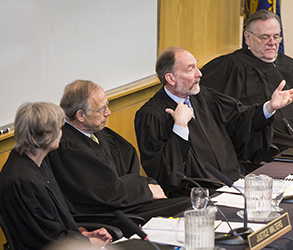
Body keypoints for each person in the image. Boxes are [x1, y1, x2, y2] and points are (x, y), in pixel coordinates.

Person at [134, 47, 293, 196]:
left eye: (196, 67)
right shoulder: (151, 115)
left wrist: (269, 107)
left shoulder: (205, 97)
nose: (199, 74)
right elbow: (163, 171)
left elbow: (240, 118)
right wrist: (179, 127)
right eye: (191, 69)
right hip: (198, 196)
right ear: (171, 78)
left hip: (235, 183)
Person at [47, 80, 190, 236]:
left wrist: (147, 184)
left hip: (126, 202)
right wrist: (145, 189)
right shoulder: (66, 147)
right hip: (105, 215)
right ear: (80, 115)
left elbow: (127, 164)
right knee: (188, 210)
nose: (108, 112)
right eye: (101, 109)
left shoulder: (98, 132)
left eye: (106, 105)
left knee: (191, 207)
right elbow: (103, 191)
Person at [200, 10, 293, 161]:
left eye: (276, 36)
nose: (272, 42)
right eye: (265, 37)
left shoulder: (291, 66)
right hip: (265, 152)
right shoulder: (231, 67)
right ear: (247, 38)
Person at [0, 102, 112, 250]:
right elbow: (46, 239)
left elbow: (57, 222)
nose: (61, 133)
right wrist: (87, 243)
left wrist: (84, 234)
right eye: (59, 128)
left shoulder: (38, 163)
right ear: (45, 135)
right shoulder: (21, 181)